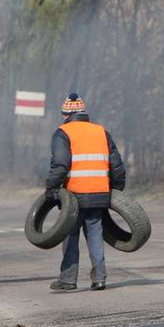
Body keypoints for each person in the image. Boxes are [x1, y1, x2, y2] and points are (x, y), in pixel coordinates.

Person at [46, 93, 126, 291]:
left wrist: (52, 188)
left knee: (71, 235)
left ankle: (68, 279)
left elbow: (60, 165)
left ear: (65, 114)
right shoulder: (101, 131)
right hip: (99, 192)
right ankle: (99, 277)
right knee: (95, 234)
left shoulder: (63, 132)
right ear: (84, 113)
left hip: (74, 194)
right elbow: (116, 164)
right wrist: (117, 188)